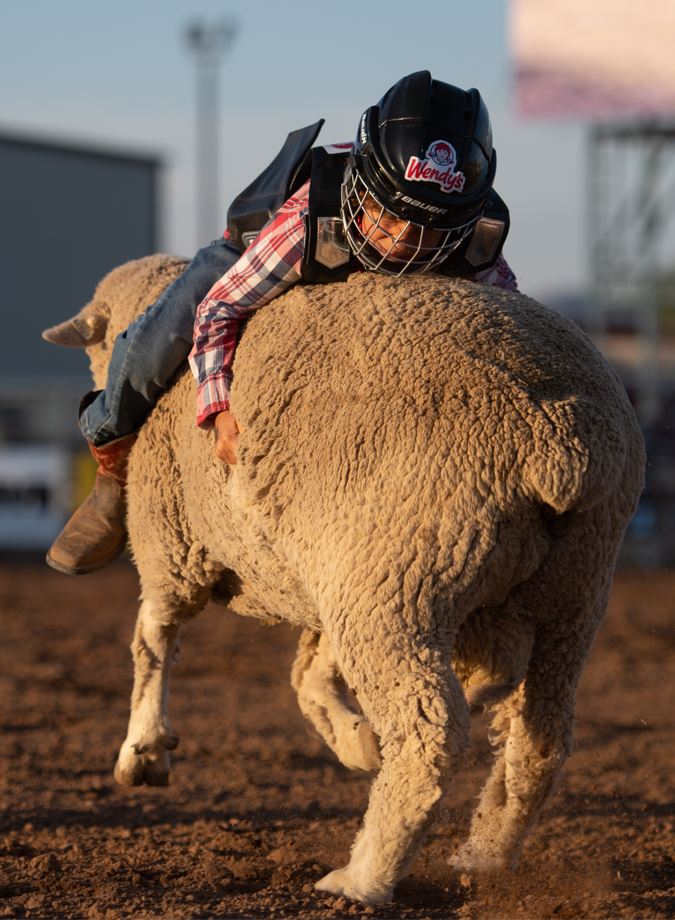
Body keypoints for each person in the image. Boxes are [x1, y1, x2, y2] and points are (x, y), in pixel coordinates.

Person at [45, 70, 518, 576]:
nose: (404, 236)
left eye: (431, 225)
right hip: (255, 244)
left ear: (464, 215)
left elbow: (509, 332)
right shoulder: (306, 222)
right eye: (391, 212)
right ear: (366, 183)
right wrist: (220, 409)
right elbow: (222, 307)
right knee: (154, 343)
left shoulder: (476, 241)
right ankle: (113, 466)